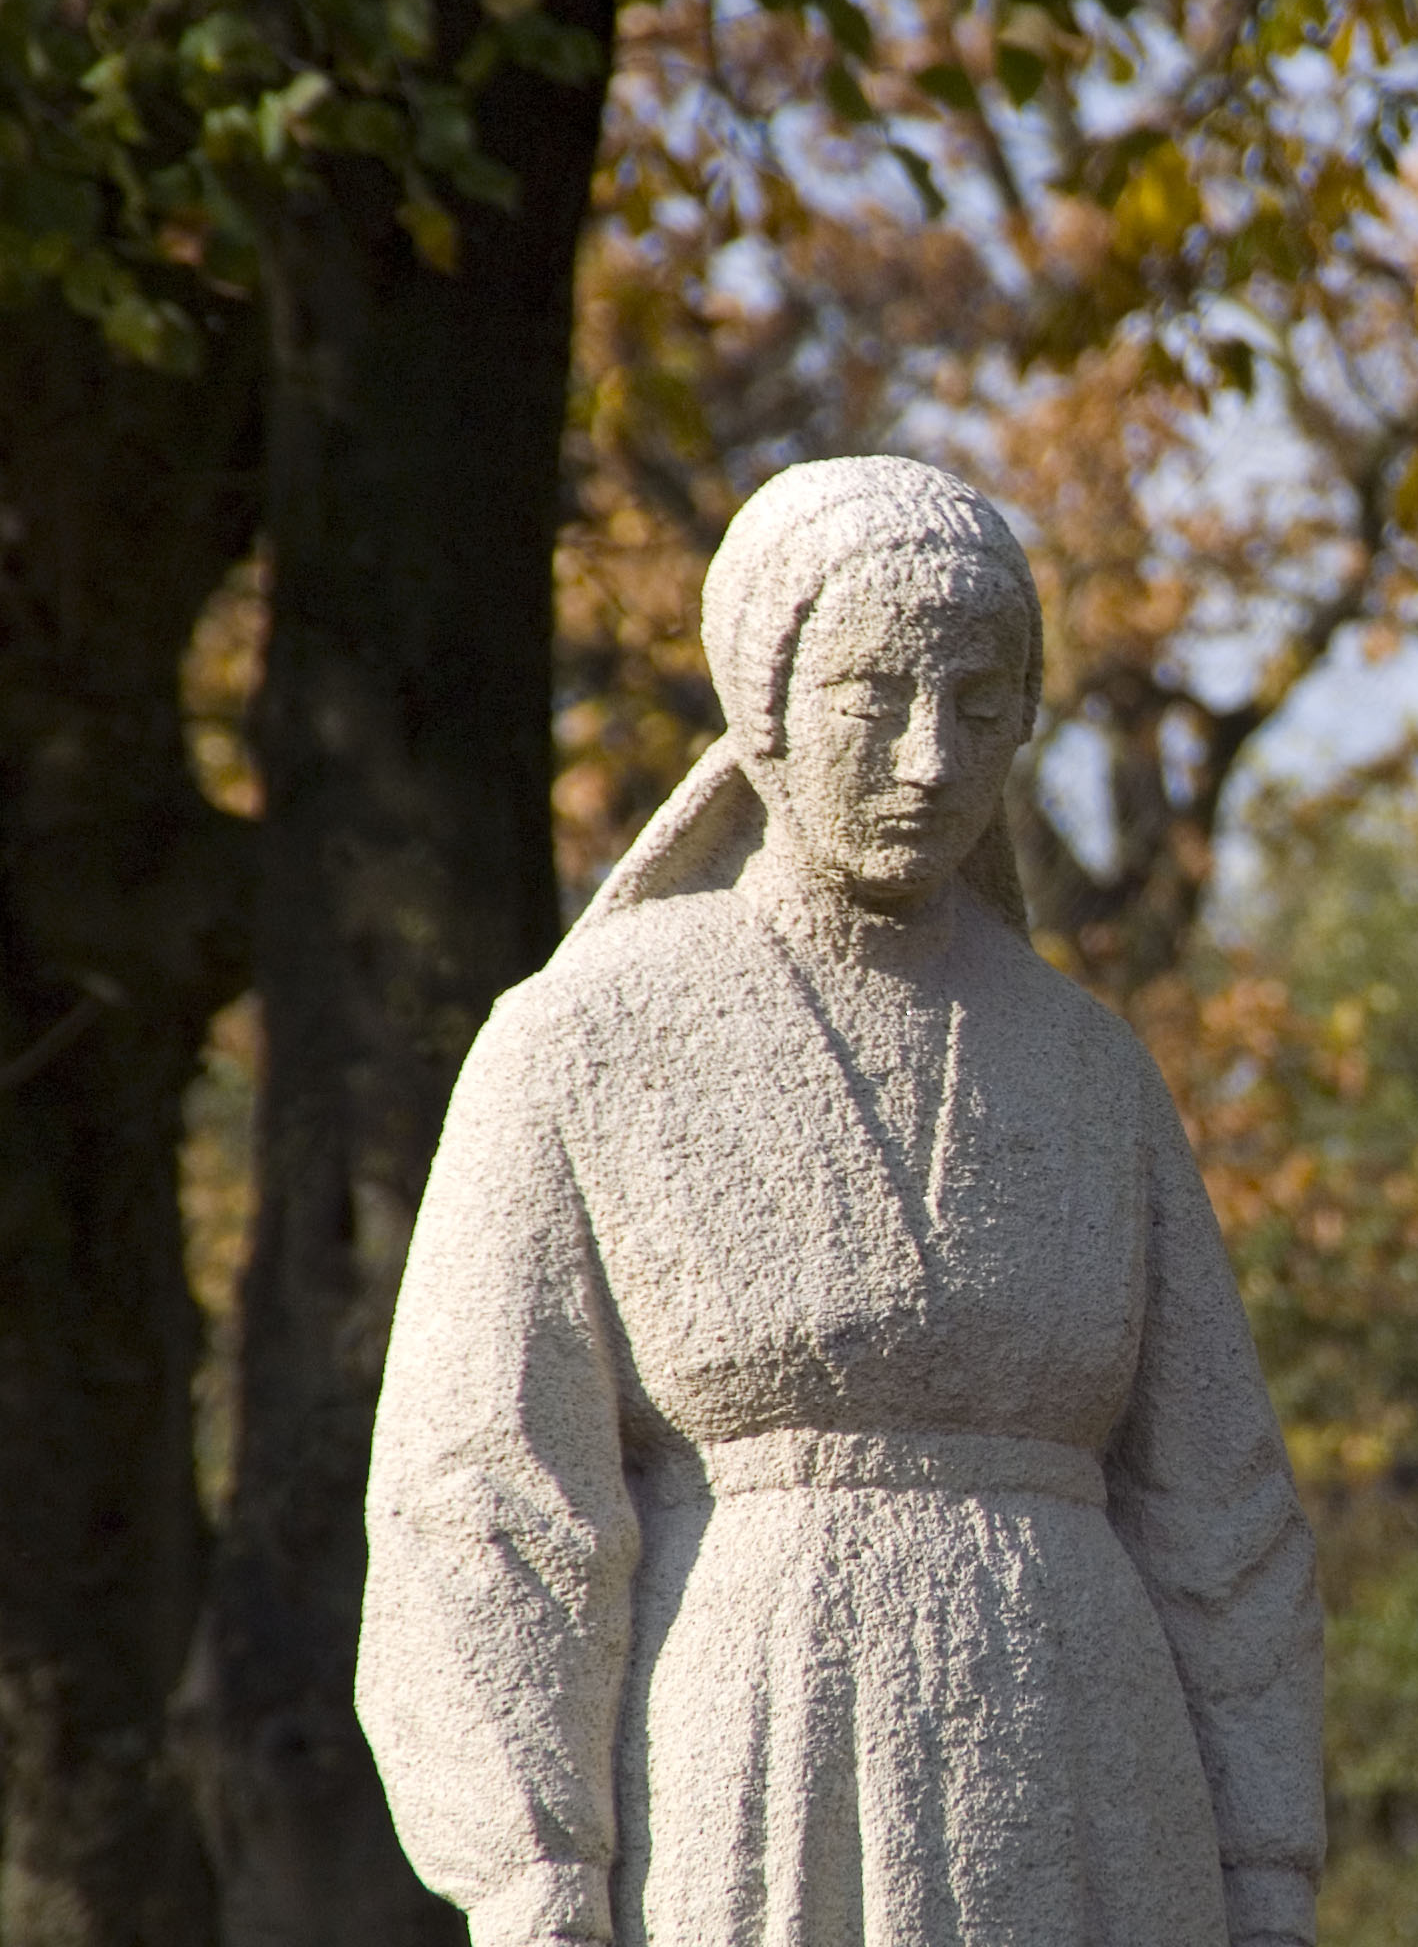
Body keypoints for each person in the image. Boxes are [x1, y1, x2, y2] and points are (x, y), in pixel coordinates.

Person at [356, 457, 1322, 1947]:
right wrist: (529, 1865)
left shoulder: (1088, 1066)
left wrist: (1266, 1859)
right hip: (758, 1742)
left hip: (1096, 1766)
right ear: (768, 706)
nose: (932, 756)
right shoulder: (591, 1032)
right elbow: (484, 1487)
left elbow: (1222, 1502)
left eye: (979, 702)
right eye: (879, 695)